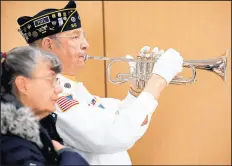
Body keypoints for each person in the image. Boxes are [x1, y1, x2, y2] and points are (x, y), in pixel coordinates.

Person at [16, 1, 183, 164]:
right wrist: (158, 80)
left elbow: (117, 116)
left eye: (84, 37)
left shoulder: (72, 88)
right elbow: (116, 133)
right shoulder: (50, 95)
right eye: (75, 37)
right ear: (48, 45)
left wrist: (136, 92)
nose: (86, 45)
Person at [0, 46, 89, 165]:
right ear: (23, 85)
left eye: (57, 80)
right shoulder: (11, 143)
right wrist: (68, 155)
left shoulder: (40, 125)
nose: (59, 89)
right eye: (50, 80)